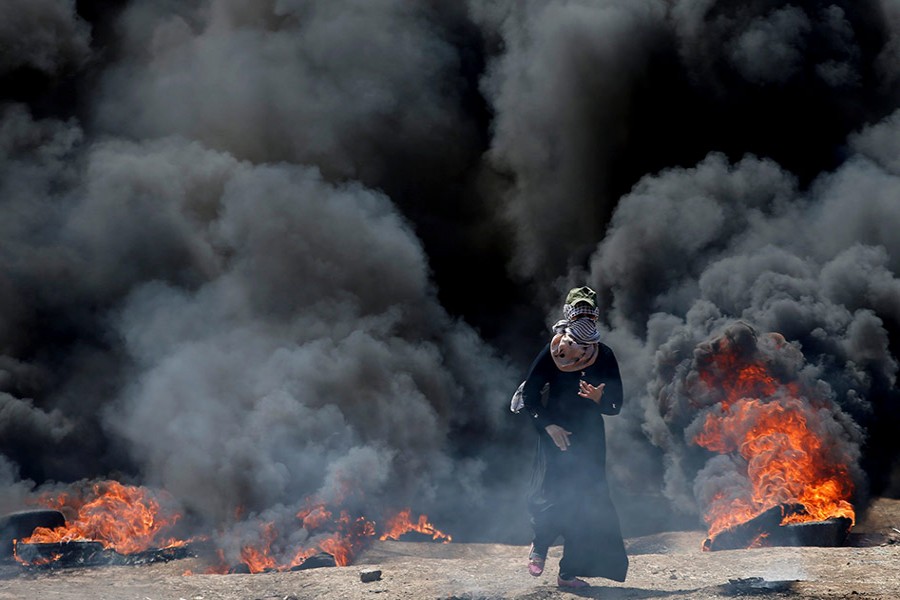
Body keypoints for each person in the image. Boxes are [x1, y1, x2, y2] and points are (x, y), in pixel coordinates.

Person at [517, 286, 628, 588]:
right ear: (568, 314)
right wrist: (549, 427)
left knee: (587, 502)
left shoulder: (603, 355)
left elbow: (616, 406)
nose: (583, 318)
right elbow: (529, 396)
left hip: (590, 439)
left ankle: (567, 573)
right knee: (554, 495)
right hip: (555, 435)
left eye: (588, 312)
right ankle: (539, 547)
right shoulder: (553, 352)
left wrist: (597, 400)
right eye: (577, 312)